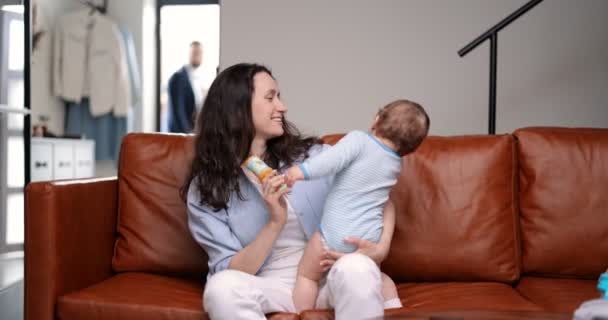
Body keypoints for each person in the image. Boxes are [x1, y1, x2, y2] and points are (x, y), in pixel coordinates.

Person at [185, 63, 398, 319]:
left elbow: (379, 199)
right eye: (270, 97)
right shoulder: (207, 188)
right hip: (270, 285)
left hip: (329, 278)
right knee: (221, 288)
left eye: (279, 96)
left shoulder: (314, 159)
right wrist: (275, 221)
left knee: (358, 267)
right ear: (238, 108)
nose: (282, 107)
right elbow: (229, 269)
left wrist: (382, 247)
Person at [285, 100, 430, 312]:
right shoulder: (395, 164)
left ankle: (302, 313)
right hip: (367, 241)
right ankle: (394, 309)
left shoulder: (359, 140)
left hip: (333, 235)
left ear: (377, 120)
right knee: (377, 280)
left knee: (307, 276)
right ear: (409, 150)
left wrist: (301, 172)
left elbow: (330, 160)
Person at [167, 41, 205, 133]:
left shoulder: (197, 78)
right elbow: (178, 112)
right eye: (195, 53)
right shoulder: (178, 78)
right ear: (189, 54)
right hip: (181, 134)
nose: (197, 56)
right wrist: (187, 134)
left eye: (200, 53)